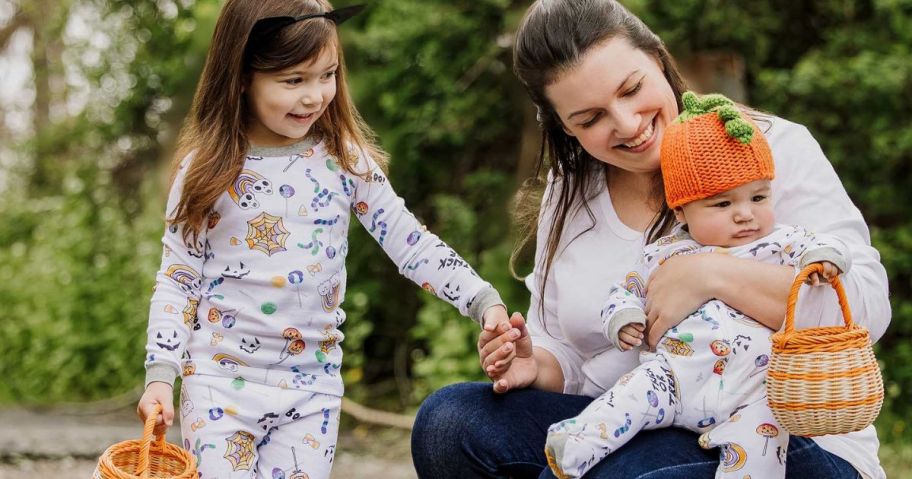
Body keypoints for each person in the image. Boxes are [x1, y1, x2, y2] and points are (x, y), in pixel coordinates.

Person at [411, 1, 890, 478]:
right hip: (631, 415)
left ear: (658, 59)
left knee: (615, 472)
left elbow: (866, 308)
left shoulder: (767, 148)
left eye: (632, 89)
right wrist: (534, 364)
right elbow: (567, 350)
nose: (626, 124)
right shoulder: (571, 189)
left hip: (777, 435)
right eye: (590, 118)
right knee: (449, 424)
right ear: (564, 126)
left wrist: (710, 273)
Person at [134, 1, 511, 478]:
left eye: (327, 74)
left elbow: (410, 242)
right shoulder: (206, 173)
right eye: (294, 80)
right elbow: (177, 279)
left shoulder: (343, 161)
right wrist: (161, 376)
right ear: (243, 75)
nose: (315, 96)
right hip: (219, 386)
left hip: (313, 391)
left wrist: (482, 300)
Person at [544, 91, 850, 479]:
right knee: (631, 396)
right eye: (722, 205)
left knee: (761, 451)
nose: (745, 215)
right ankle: (576, 444)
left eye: (758, 197)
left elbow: (821, 244)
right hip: (674, 377)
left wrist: (823, 259)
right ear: (681, 211)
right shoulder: (667, 252)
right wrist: (622, 318)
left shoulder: (776, 243)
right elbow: (625, 291)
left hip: (753, 394)